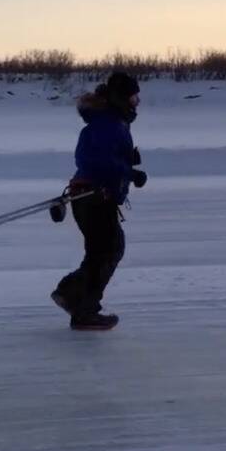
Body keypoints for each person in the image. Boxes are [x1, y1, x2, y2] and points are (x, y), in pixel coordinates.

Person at [51, 71, 147, 330]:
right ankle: (80, 305)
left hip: (90, 196)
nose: (137, 102)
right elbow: (96, 160)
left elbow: (101, 156)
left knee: (103, 251)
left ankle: (74, 296)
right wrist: (130, 173)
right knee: (107, 250)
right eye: (133, 97)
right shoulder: (109, 123)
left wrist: (127, 162)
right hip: (93, 197)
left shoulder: (110, 121)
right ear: (120, 98)